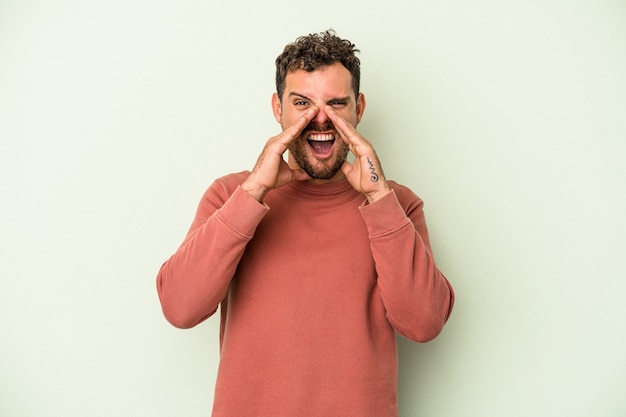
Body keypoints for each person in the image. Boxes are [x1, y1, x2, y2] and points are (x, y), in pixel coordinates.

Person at [157, 30, 454, 417]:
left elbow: (424, 323)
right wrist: (253, 192)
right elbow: (180, 308)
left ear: (358, 109)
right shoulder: (230, 194)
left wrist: (380, 198)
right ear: (277, 107)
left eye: (336, 103)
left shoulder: (398, 205)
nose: (319, 119)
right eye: (302, 103)